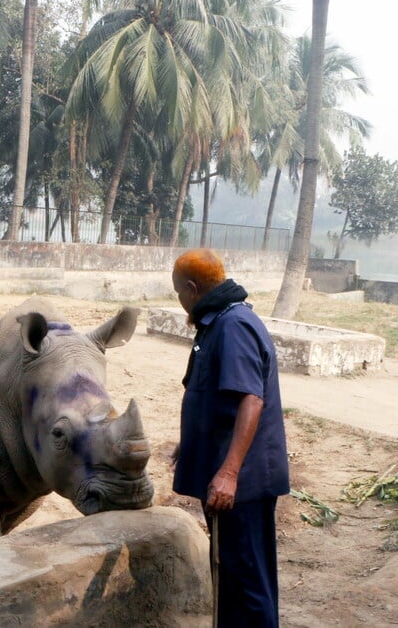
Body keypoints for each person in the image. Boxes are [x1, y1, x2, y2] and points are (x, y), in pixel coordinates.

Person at [170, 248, 290, 628]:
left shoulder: (233, 325)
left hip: (243, 483)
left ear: (192, 288)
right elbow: (217, 398)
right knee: (230, 575)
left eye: (178, 292)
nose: (179, 300)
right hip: (230, 476)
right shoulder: (217, 321)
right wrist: (191, 444)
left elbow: (251, 400)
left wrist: (229, 473)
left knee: (246, 581)